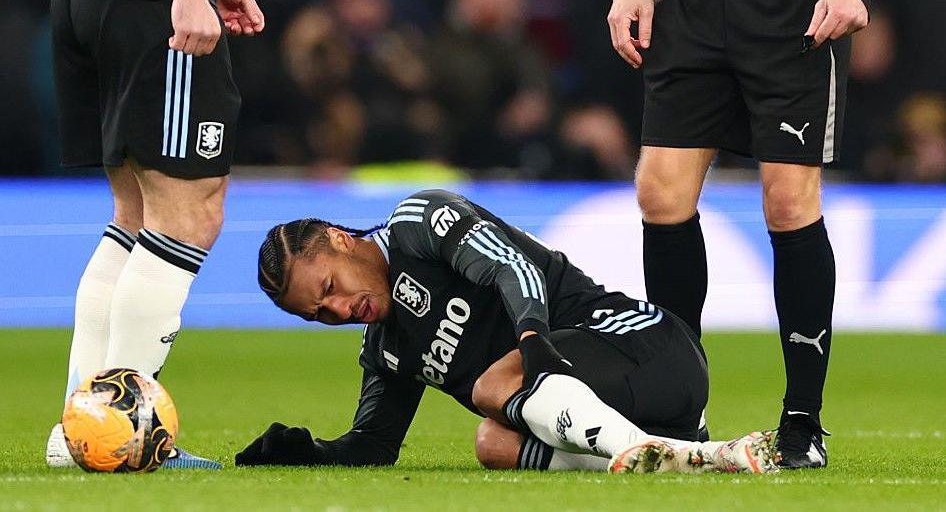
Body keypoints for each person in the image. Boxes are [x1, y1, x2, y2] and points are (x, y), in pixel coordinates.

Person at [236, 189, 779, 473]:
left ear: (341, 239)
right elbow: (374, 445)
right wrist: (312, 451)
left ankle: (642, 450)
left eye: (329, 286)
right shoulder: (387, 348)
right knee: (492, 442)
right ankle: (687, 457)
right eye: (318, 313)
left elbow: (511, 267)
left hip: (650, 347)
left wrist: (533, 342)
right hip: (625, 407)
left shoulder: (417, 224)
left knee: (491, 388)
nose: (337, 308)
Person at [606, 0, 877, 468]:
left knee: (789, 203)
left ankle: (802, 420)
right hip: (689, 6)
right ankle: (680, 411)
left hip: (795, 11)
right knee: (660, 193)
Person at [45, 0, 265, 469]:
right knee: (188, 215)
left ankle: (79, 434)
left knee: (136, 216)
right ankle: (123, 438)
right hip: (147, 0)